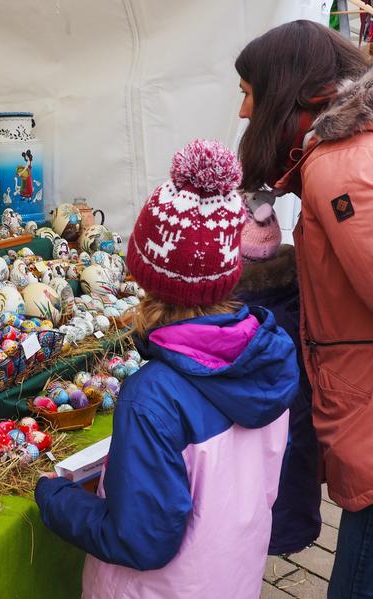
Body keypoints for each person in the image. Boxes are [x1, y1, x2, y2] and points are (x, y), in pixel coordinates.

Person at [34, 139, 299, 599]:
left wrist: (56, 499)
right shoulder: (269, 356)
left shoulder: (152, 397)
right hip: (232, 578)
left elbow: (140, 539)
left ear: (144, 277)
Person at [236, 20, 373, 597]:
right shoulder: (337, 154)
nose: (244, 112)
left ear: (285, 89)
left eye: (248, 91)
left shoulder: (336, 167)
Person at [235, 194, 321, 555]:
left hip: (251, 467)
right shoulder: (301, 297)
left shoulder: (239, 317)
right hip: (299, 423)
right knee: (293, 460)